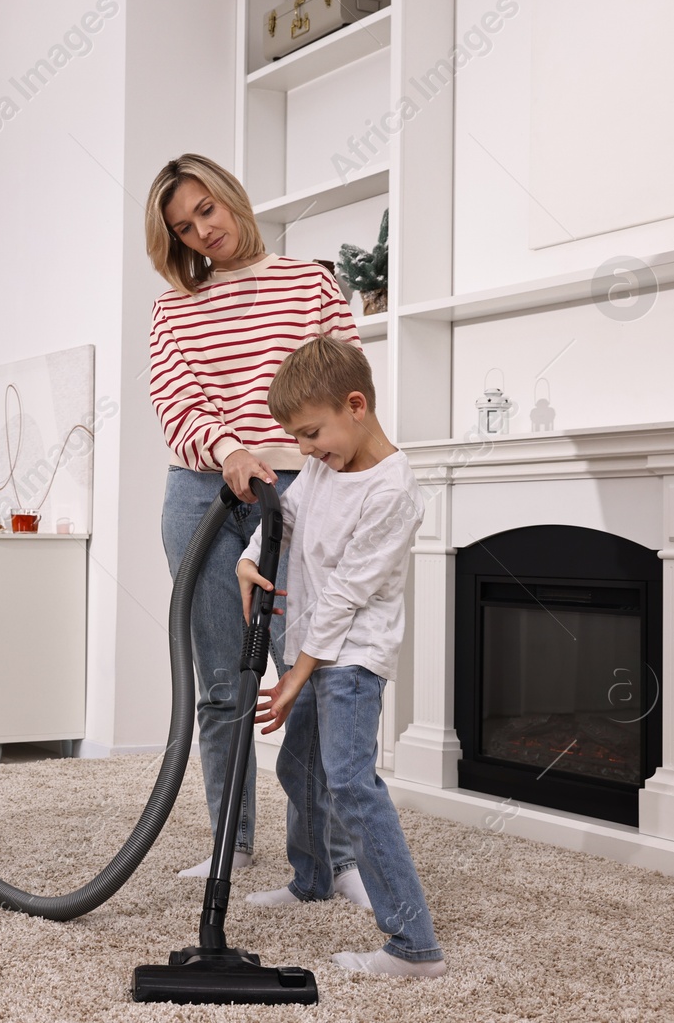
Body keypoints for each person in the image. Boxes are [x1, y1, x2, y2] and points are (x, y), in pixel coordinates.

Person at [144, 153, 368, 907]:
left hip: (297, 489)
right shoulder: (173, 307)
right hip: (204, 493)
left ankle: (331, 859)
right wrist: (228, 450)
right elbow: (177, 402)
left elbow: (346, 379)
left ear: (230, 197)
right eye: (184, 226)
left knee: (308, 678)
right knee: (220, 686)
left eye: (207, 210)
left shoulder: (309, 282)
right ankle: (228, 846)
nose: (203, 232)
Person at [240, 335, 447, 977]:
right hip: (316, 648)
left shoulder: (393, 490)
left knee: (353, 783)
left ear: (355, 405)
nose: (304, 451)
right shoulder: (328, 466)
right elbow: (288, 516)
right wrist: (250, 557)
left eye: (310, 434)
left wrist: (298, 672)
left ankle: (414, 945)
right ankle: (313, 879)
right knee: (298, 766)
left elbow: (347, 593)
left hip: (353, 658)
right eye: (298, 439)